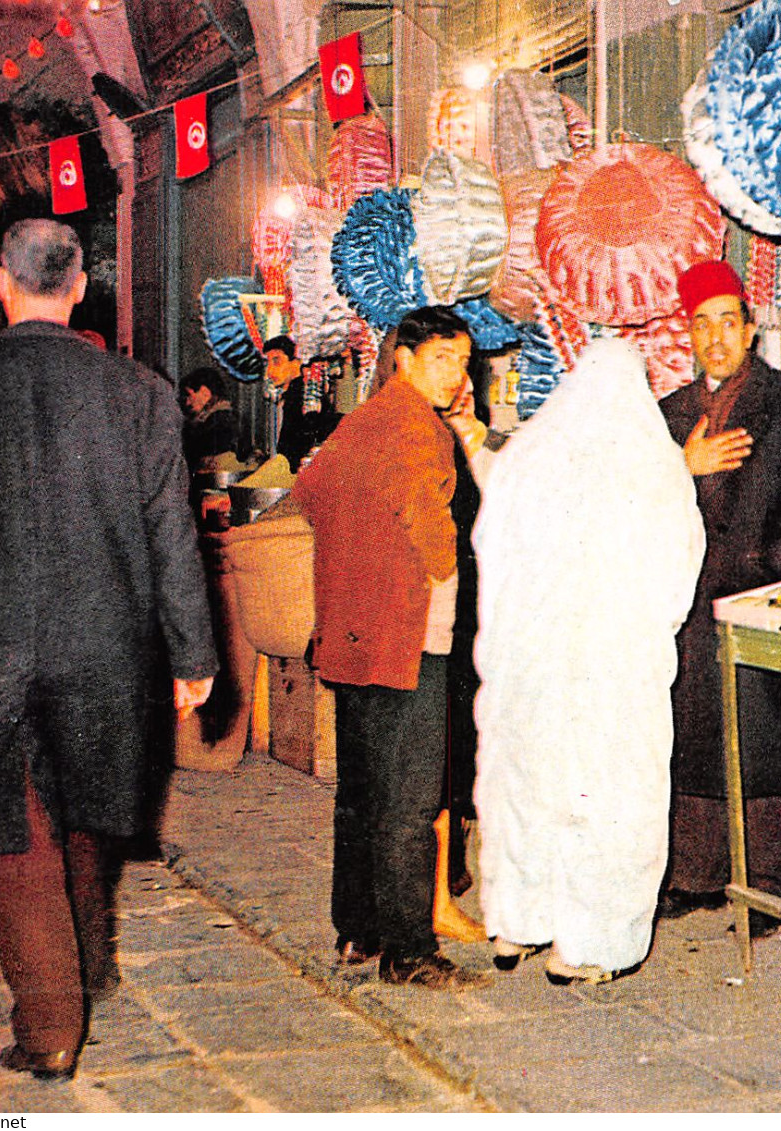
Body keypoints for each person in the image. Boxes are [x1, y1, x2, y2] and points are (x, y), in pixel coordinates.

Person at [0, 218, 216, 1080]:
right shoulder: (138, 394)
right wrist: (191, 654)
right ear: (79, 288)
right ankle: (86, 966)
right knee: (91, 811)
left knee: (20, 835)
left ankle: (52, 1021)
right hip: (105, 648)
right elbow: (171, 535)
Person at [471, 339, 705, 985]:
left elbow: (487, 546)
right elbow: (677, 568)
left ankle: (516, 923)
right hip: (612, 666)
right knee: (609, 798)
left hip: (528, 664)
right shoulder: (650, 462)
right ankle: (591, 944)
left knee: (525, 788)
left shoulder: (527, 454)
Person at [291, 306, 490, 991]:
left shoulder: (361, 419)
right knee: (409, 800)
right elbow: (424, 514)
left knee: (362, 791)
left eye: (463, 361)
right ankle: (409, 949)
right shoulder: (415, 424)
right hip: (410, 637)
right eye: (442, 359)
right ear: (403, 357)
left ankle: (358, 928)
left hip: (353, 632)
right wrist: (444, 567)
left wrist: (360, 557)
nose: (457, 375)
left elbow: (308, 492)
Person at [656, 260, 781, 923]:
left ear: (750, 329)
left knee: (764, 739)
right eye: (701, 324)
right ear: (689, 334)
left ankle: (769, 884)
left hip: (764, 599)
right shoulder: (669, 415)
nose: (715, 337)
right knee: (694, 735)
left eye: (727, 321)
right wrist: (681, 472)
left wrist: (767, 571)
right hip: (688, 603)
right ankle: (696, 874)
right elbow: (640, 502)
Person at [262, 335, 339, 470]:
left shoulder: (301, 395)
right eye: (267, 363)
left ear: (296, 363)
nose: (269, 371)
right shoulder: (285, 396)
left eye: (276, 361)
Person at [178, 367, 240, 473]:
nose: (187, 403)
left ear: (205, 392)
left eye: (189, 395)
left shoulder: (218, 423)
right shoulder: (226, 418)